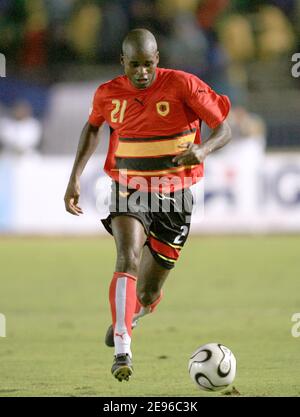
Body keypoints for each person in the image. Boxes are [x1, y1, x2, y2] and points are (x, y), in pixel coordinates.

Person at [64, 28, 231, 382]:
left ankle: (134, 314)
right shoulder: (108, 93)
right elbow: (92, 128)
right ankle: (123, 350)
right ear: (123, 61)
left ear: (158, 60)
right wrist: (75, 176)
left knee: (149, 290)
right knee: (128, 256)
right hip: (130, 186)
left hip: (176, 193)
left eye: (148, 65)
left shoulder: (184, 84)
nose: (141, 72)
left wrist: (202, 150)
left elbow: (223, 129)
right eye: (134, 65)